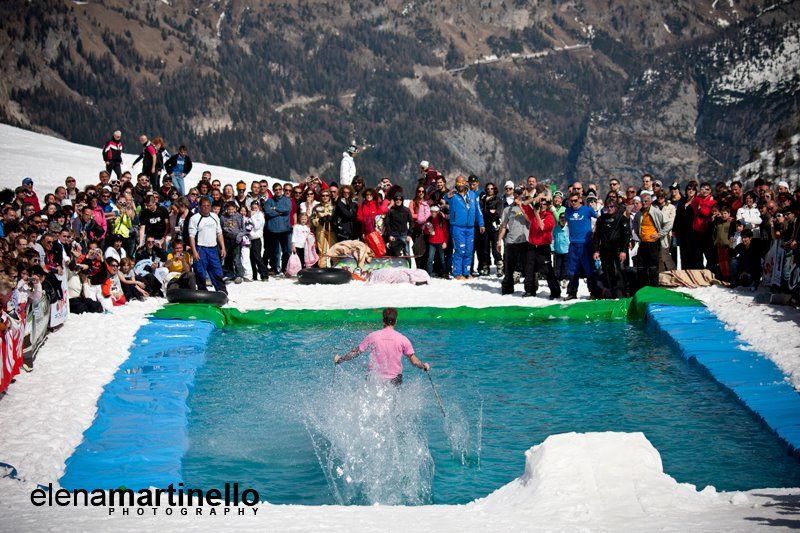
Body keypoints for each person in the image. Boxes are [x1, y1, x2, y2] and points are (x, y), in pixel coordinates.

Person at [333, 307, 430, 386]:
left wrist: (340, 359)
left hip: (375, 379)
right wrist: (423, 366)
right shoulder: (403, 339)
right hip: (394, 380)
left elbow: (356, 352)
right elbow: (414, 361)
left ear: (383, 320)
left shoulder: (373, 336)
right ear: (395, 321)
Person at [520, 193, 561, 299]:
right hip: (532, 246)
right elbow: (523, 204)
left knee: (547, 270)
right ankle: (530, 290)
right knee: (529, 269)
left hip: (543, 247)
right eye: (540, 203)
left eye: (544, 204)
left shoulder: (550, 217)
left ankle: (555, 292)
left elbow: (543, 228)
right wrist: (534, 198)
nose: (542, 205)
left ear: (547, 205)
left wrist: (537, 214)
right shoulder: (534, 213)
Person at [447, 176, 485, 279]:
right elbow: (445, 199)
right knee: (460, 250)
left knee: (469, 250)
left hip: (470, 227)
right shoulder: (453, 196)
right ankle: (457, 273)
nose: (460, 185)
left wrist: (481, 223)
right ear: (456, 183)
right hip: (457, 227)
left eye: (462, 183)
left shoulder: (472, 195)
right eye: (458, 183)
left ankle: (466, 272)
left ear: (465, 183)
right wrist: (449, 195)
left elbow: (478, 210)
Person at [593, 196, 631, 298]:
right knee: (608, 272)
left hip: (618, 249)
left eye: (612, 206)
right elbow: (597, 236)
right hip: (605, 250)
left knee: (621, 271)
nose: (610, 209)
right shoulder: (601, 219)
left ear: (616, 207)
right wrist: (596, 250)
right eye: (607, 207)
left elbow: (626, 236)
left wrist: (624, 251)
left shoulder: (622, 219)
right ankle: (612, 293)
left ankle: (624, 293)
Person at [564, 192, 598, 299]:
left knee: (589, 269)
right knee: (572, 270)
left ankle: (593, 292)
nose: (573, 203)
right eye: (571, 201)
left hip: (586, 244)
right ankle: (572, 293)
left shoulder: (587, 210)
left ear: (580, 200)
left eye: (575, 200)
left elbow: (599, 218)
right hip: (573, 244)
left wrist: (595, 230)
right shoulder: (568, 211)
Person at [188, 197, 227, 293]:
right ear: (200, 207)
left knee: (217, 271)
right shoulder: (194, 218)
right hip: (201, 249)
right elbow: (192, 236)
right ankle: (202, 291)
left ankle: (222, 291)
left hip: (213, 249)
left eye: (208, 206)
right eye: (203, 206)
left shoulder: (214, 216)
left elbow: (219, 233)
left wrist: (223, 247)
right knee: (200, 272)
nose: (206, 208)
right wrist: (194, 251)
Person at [631, 192, 666, 287]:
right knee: (641, 267)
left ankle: (654, 288)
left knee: (653, 268)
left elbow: (667, 223)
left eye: (646, 201)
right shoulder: (640, 213)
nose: (644, 203)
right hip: (643, 243)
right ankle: (643, 288)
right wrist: (640, 235)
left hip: (653, 243)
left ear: (650, 202)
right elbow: (635, 224)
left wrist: (659, 234)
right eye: (643, 201)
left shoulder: (656, 211)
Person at [384, 192, 413, 257]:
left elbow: (411, 222)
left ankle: (408, 266)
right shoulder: (391, 211)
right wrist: (390, 234)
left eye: (400, 199)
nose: (398, 201)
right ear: (394, 200)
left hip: (404, 235)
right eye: (396, 199)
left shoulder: (406, 210)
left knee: (406, 253)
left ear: (402, 200)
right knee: (393, 253)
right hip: (394, 235)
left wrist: (409, 235)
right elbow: (387, 223)